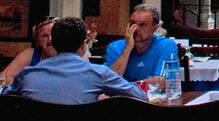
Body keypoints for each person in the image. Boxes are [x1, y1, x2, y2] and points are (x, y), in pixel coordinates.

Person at [7, 16, 148, 103]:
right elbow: (140, 97)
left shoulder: (27, 74)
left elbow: (5, 99)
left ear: (54, 43)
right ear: (83, 46)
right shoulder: (99, 73)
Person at [104, 4, 179, 88]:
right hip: (121, 100)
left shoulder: (166, 45)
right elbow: (110, 82)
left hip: (153, 99)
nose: (136, 29)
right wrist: (127, 49)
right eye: (132, 24)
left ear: (155, 28)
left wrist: (123, 87)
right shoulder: (115, 47)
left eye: (142, 25)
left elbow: (161, 82)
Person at [0, 16, 56, 86]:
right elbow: (4, 77)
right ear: (37, 40)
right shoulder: (30, 54)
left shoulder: (70, 56)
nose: (50, 40)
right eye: (44, 36)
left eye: (54, 35)